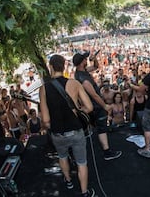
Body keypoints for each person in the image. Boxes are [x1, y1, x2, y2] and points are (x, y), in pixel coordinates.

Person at [39, 54, 95, 197]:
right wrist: (78, 111)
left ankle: (69, 181)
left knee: (62, 156)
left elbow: (45, 120)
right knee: (82, 162)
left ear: (50, 67)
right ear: (64, 66)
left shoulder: (44, 89)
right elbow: (89, 107)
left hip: (58, 133)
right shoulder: (74, 83)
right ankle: (84, 192)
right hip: (76, 131)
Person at [73, 51, 122, 161]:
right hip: (96, 106)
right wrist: (105, 106)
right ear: (81, 62)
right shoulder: (83, 79)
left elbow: (95, 66)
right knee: (102, 129)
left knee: (99, 127)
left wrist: (94, 58)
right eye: (85, 59)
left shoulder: (82, 71)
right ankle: (107, 152)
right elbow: (94, 95)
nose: (87, 60)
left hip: (94, 105)